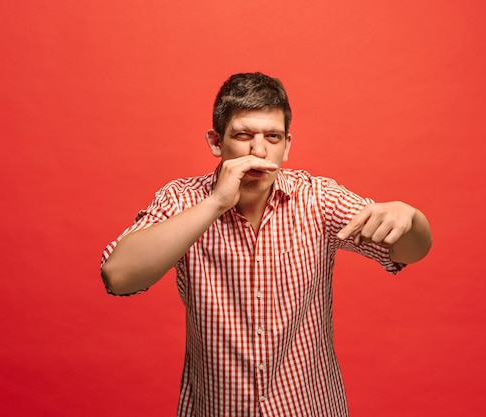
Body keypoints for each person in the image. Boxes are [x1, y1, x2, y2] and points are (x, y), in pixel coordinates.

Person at [100, 72, 432, 417]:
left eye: (272, 137)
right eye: (244, 135)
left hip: (308, 408)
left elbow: (408, 251)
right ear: (216, 142)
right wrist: (215, 203)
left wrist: (409, 217)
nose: (259, 150)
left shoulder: (316, 198)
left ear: (287, 146)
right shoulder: (182, 200)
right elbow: (119, 277)